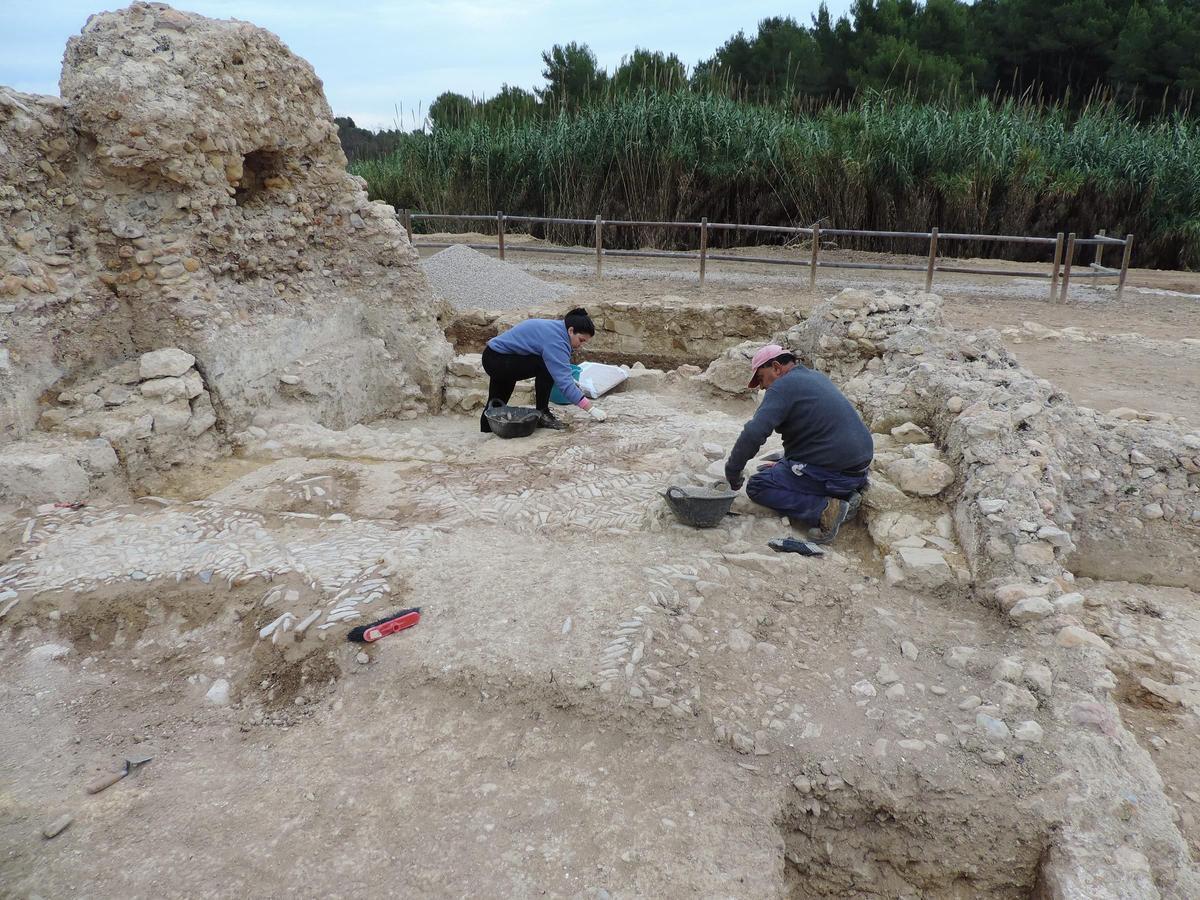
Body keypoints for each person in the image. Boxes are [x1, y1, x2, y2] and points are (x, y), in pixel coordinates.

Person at [724, 344, 873, 542]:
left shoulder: (781, 387)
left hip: (833, 473)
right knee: (776, 467)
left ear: (776, 368)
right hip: (857, 470)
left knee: (758, 485)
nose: (762, 386)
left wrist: (733, 471)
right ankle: (845, 495)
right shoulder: (814, 377)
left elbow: (754, 433)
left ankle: (826, 510)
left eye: (761, 378)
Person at [480, 307, 608, 432]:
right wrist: (591, 409)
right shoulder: (556, 341)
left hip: (495, 356)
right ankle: (542, 413)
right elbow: (564, 383)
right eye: (581, 340)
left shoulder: (559, 329)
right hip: (499, 360)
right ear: (571, 330)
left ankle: (486, 430)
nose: (581, 345)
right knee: (546, 365)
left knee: (496, 404)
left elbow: (562, 371)